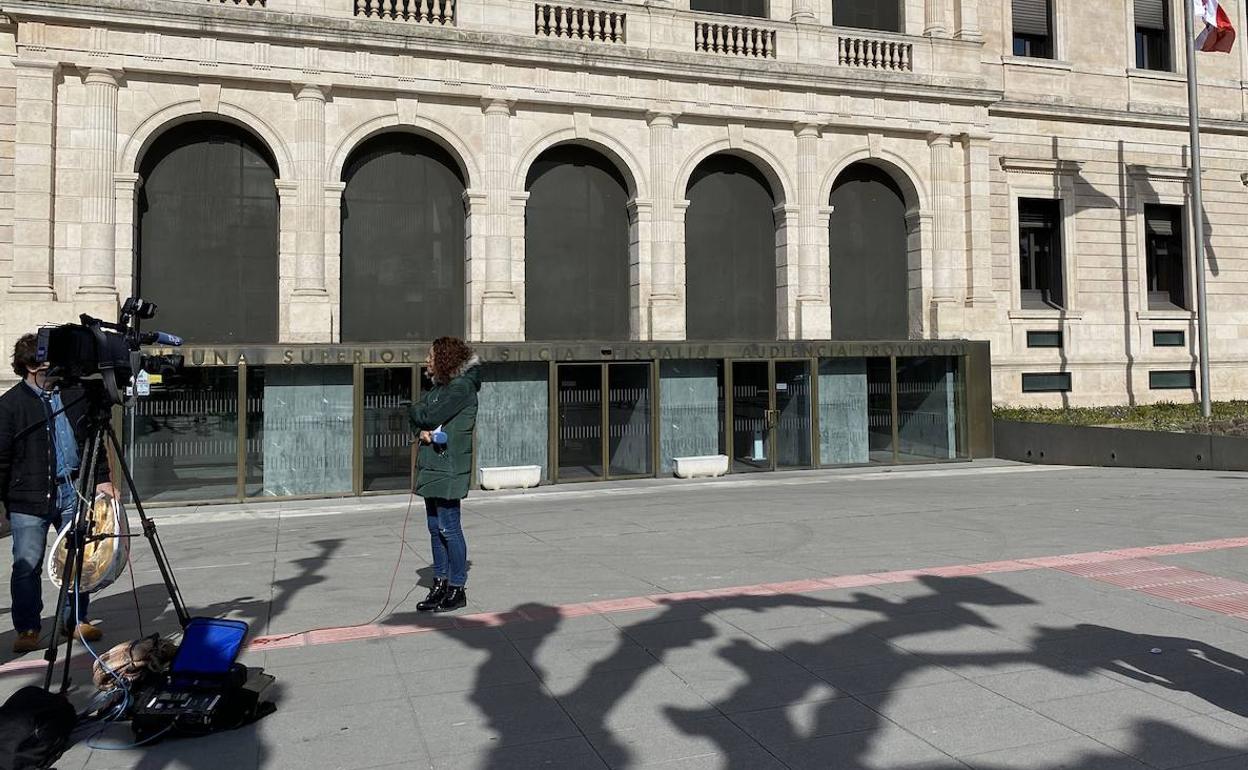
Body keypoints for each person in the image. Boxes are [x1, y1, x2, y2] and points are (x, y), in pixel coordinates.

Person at [0, 333, 115, 653]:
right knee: (27, 565)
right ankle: (28, 627)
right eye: (45, 367)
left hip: (73, 490)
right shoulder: (10, 406)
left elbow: (92, 441)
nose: (52, 373)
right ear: (28, 367)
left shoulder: (73, 394)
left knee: (79, 560)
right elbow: (2, 459)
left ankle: (75, 619)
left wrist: (102, 479)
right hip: (29, 497)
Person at [409, 337, 481, 614]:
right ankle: (439, 583)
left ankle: (456, 587)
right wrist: (419, 428)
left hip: (448, 466)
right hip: (432, 464)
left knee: (449, 528)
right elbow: (419, 417)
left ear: (445, 359)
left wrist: (418, 416)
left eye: (430, 356)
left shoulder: (461, 388)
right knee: (434, 528)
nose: (426, 361)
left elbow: (425, 414)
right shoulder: (441, 387)